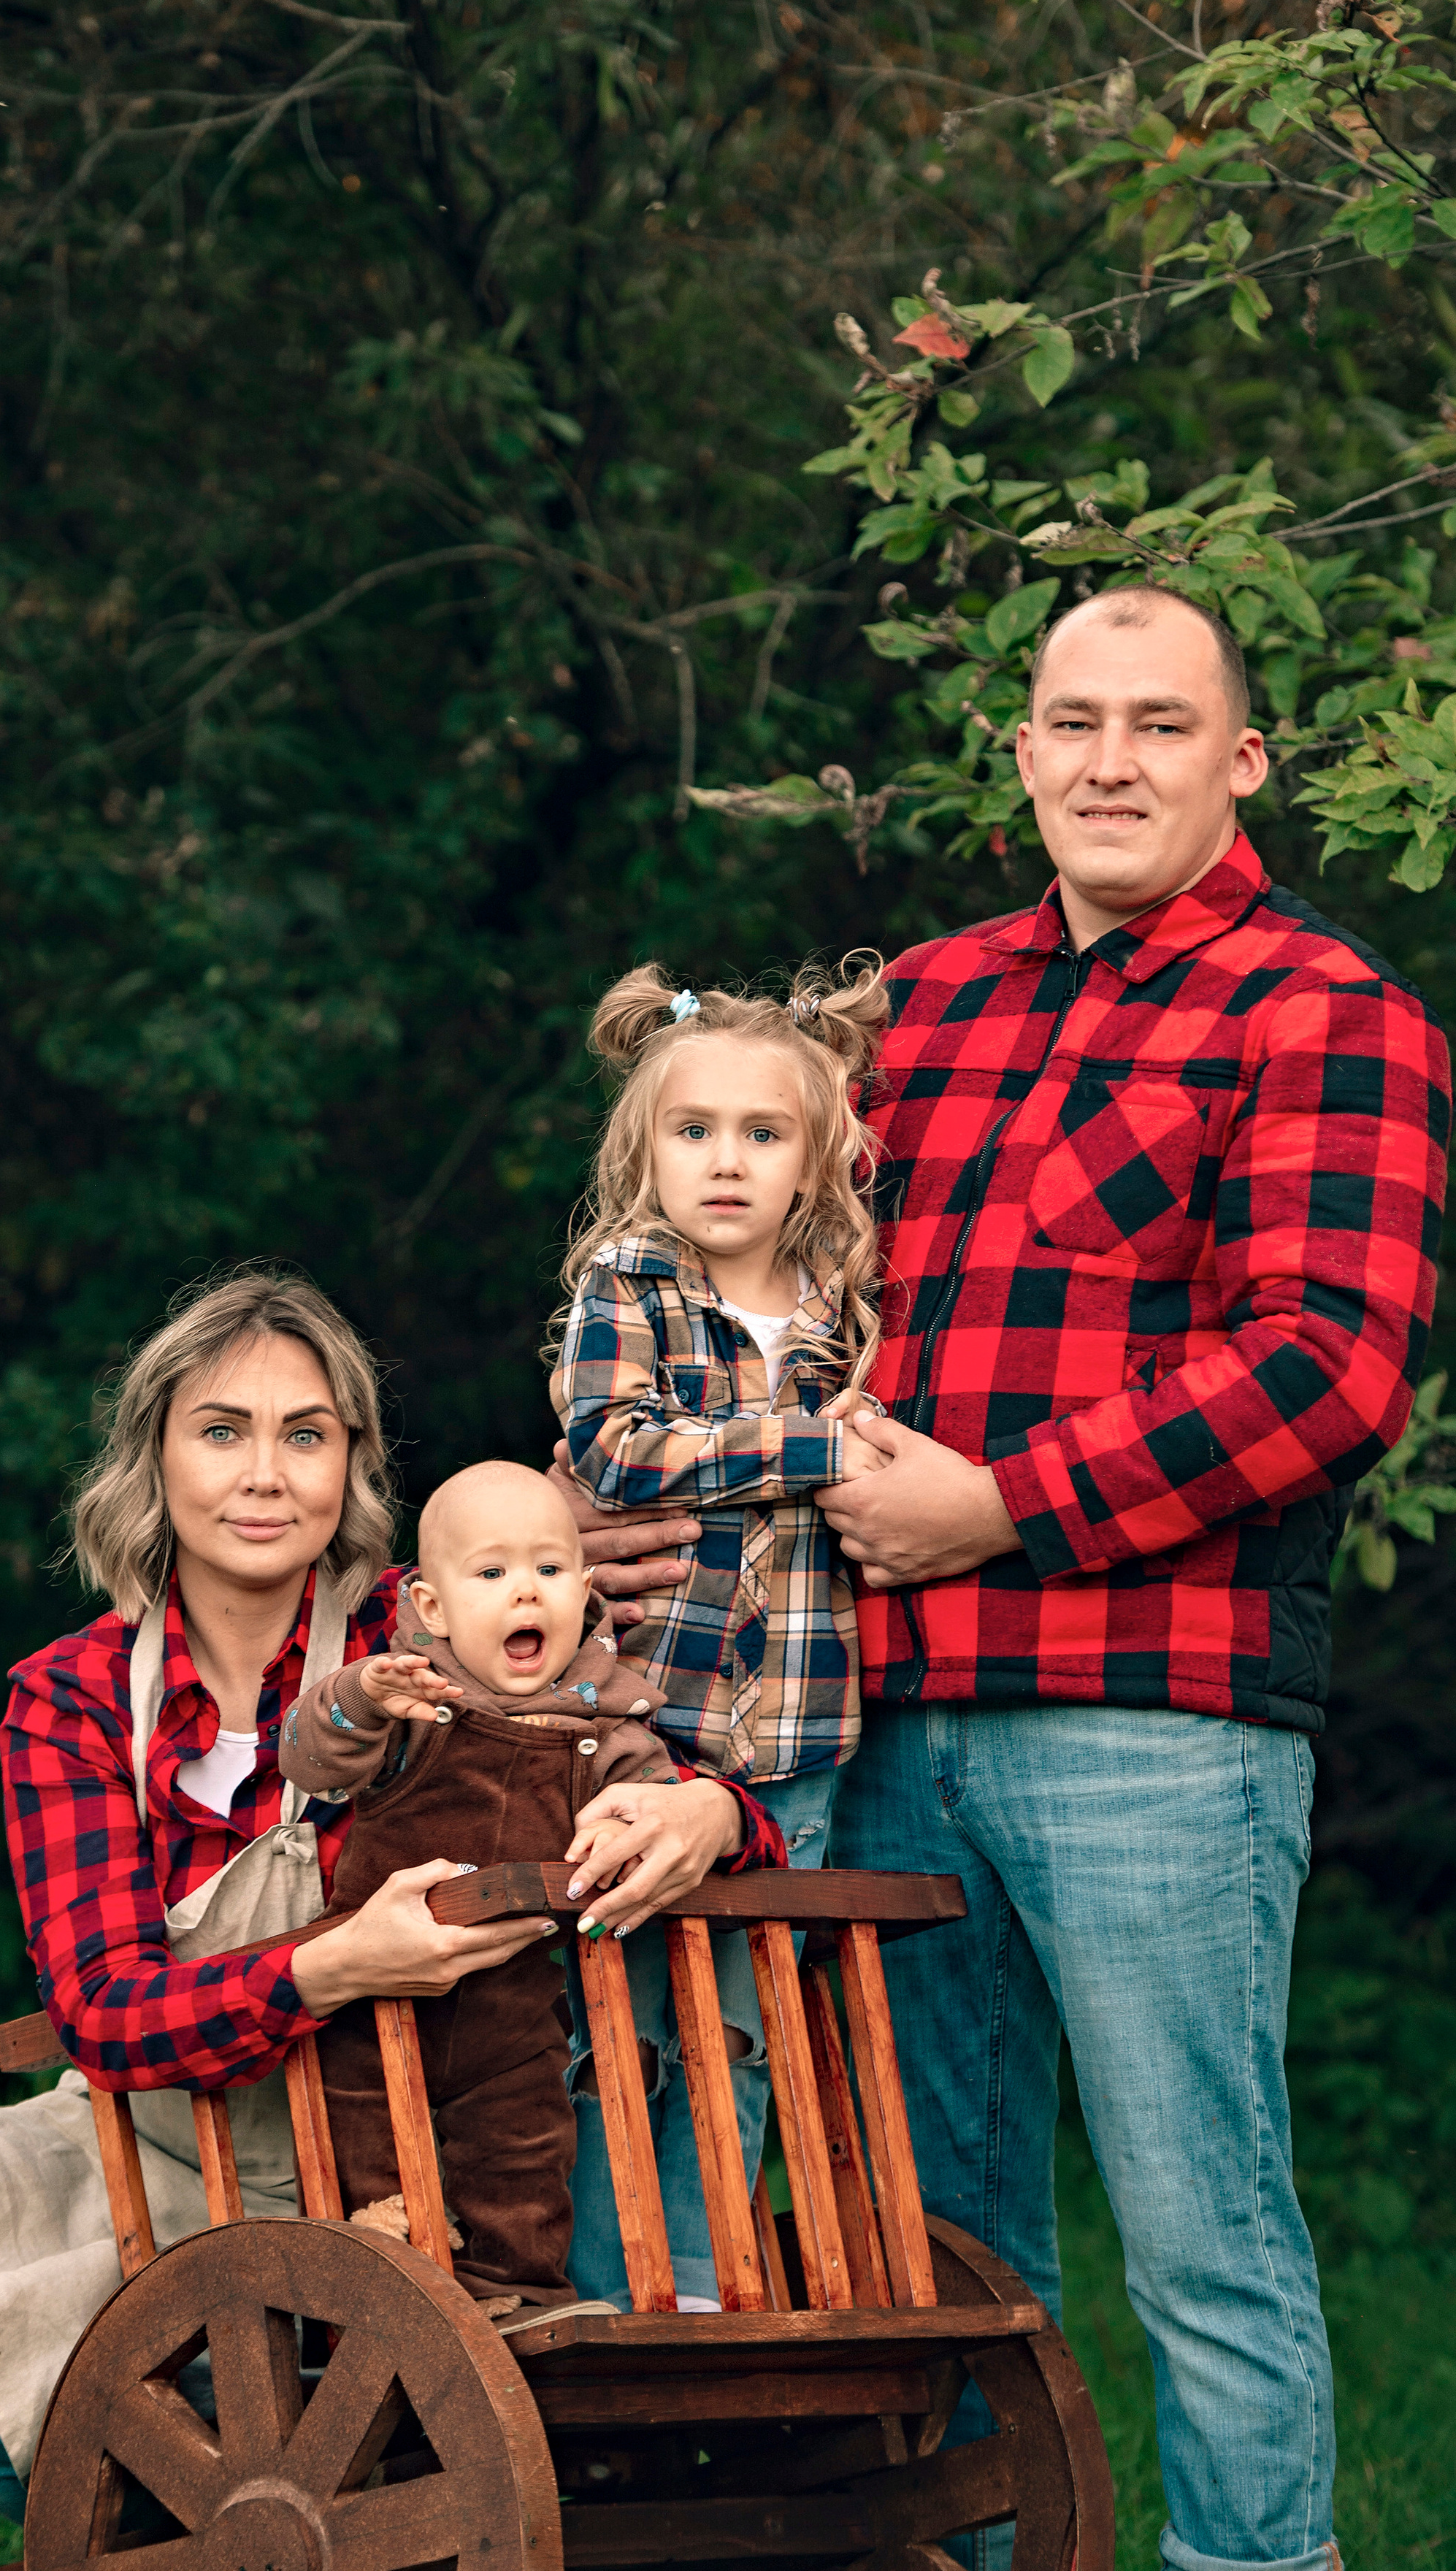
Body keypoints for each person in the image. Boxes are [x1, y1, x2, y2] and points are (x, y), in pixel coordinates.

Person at [560, 584, 1450, 2571]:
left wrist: (1007, 1504)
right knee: (937, 2234)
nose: (1111, 757)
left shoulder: (1329, 1009)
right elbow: (731, 1260)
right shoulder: (923, 1006)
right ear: (1025, 754)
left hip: (1152, 1713)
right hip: (874, 1709)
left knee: (1200, 2230)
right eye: (1075, 719)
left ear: (1245, 760)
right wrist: (626, 1503)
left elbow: (1327, 1364)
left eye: (1161, 721)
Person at [0, 1271, 771, 2571]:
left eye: (306, 1433)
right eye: (221, 1430)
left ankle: (286, 2531)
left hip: (367, 2144)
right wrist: (332, 1961)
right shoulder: (72, 1697)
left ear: (352, 1463)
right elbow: (102, 2008)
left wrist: (714, 1817)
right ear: (154, 1456)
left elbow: (615, 1748)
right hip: (150, 2119)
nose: (264, 1473)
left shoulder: (439, 1624)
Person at [548, 957, 889, 2309]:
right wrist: (818, 1448)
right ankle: (589, 2283)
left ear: (816, 1159)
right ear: (646, 1150)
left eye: (765, 1133)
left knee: (745, 2029)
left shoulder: (842, 1307)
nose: (728, 1162)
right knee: (618, 2030)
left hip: (799, 1738)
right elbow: (619, 1450)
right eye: (694, 1132)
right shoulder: (627, 1289)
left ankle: (697, 2281)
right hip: (650, 1724)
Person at [283, 1458, 729, 2314]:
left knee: (524, 2153)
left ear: (585, 1590)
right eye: (491, 1573)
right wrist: (360, 1696)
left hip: (517, 2011)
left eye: (550, 1571)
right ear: (432, 1608)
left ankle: (514, 2298)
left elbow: (654, 1816)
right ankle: (388, 2273)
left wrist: (652, 1821)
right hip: (376, 1995)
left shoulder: (608, 1723)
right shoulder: (410, 1695)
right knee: (365, 2138)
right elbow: (309, 1757)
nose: (526, 1594)